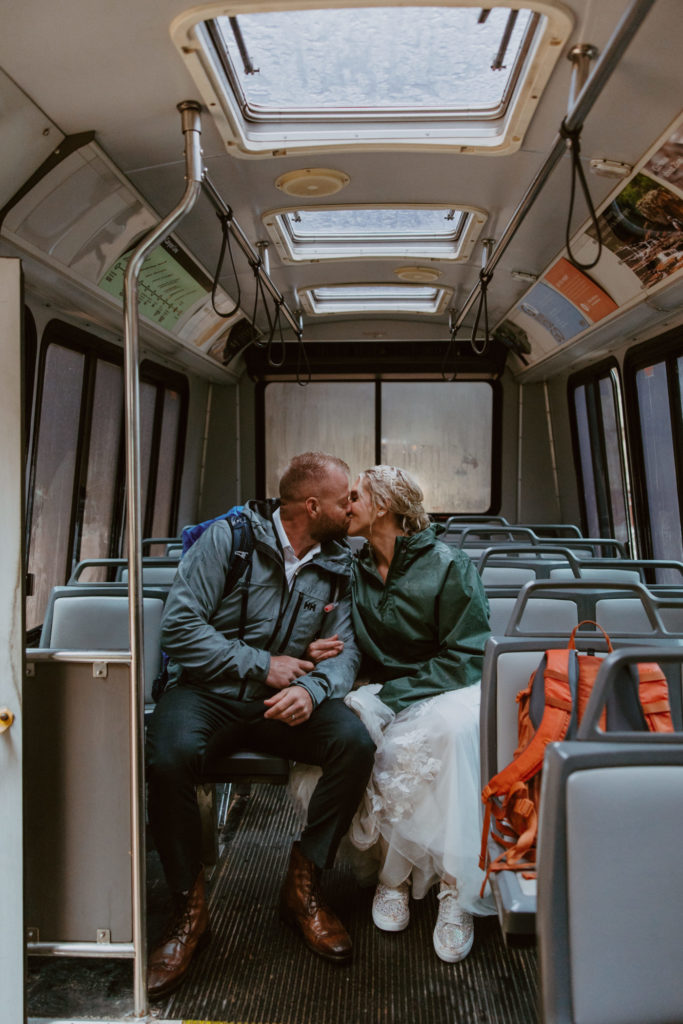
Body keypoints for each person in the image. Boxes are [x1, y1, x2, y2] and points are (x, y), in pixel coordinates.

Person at [146, 452, 376, 998]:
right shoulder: (228, 541)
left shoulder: (341, 563)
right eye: (345, 498)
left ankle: (303, 884)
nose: (352, 507)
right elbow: (179, 628)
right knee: (166, 757)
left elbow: (345, 653)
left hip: (286, 700)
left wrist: (311, 688)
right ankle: (189, 913)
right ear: (312, 505)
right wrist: (263, 665)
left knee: (354, 743)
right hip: (208, 692)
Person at [300, 465, 493, 964]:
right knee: (354, 731)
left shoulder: (449, 565)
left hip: (450, 685)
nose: (347, 505)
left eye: (355, 497)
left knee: (447, 732)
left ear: (382, 507)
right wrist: (322, 650)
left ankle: (455, 889)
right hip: (383, 685)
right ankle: (394, 877)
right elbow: (349, 638)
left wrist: (394, 695)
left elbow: (469, 653)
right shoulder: (353, 567)